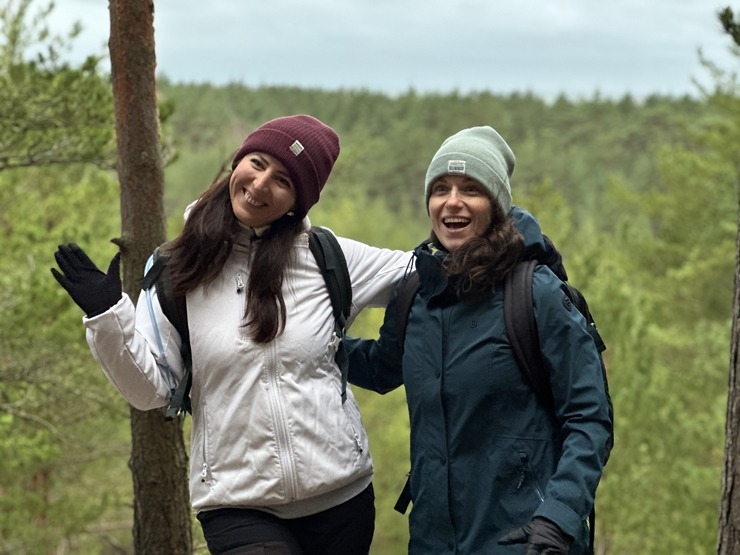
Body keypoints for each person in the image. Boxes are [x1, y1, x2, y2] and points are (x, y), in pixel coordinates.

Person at [51, 114, 413, 555]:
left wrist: (499, 227)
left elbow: (425, 273)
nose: (260, 185)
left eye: (283, 180)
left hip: (341, 497)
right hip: (236, 503)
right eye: (257, 163)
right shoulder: (177, 265)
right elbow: (150, 390)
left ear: (299, 203)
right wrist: (108, 317)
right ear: (238, 161)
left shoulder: (327, 257)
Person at [345, 126, 612, 554]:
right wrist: (311, 342)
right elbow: (381, 367)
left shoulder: (536, 294)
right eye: (440, 189)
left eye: (471, 188)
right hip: (433, 539)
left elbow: (589, 418)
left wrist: (558, 519)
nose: (452, 201)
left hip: (526, 540)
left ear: (496, 206)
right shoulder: (414, 293)